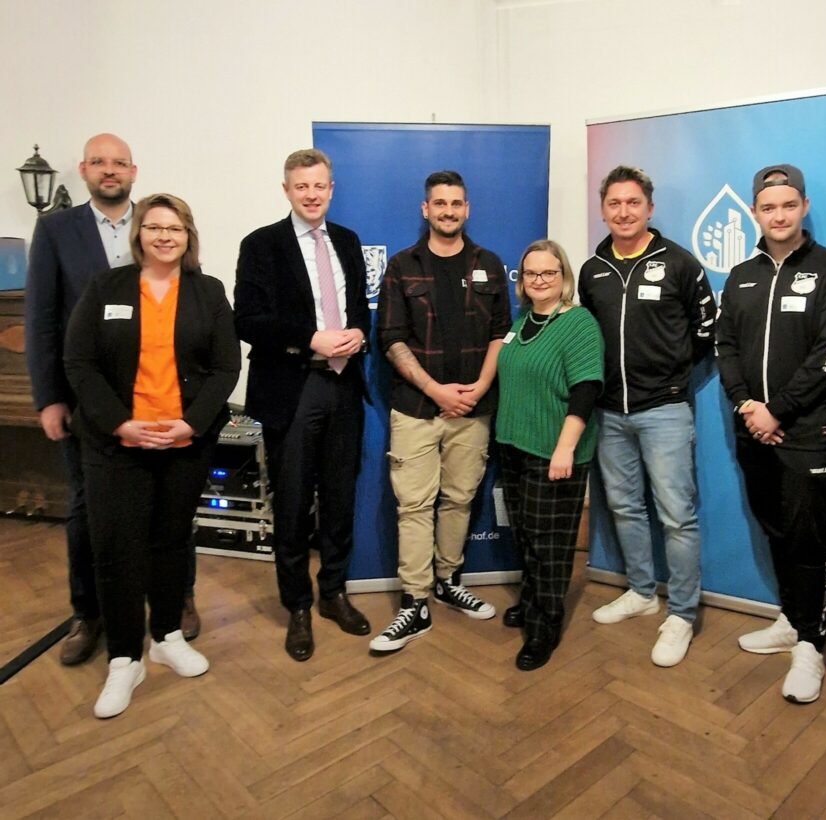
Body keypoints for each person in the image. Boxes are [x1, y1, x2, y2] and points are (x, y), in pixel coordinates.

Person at [25, 134, 206, 660]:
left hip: (164, 407)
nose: (110, 171)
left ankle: (177, 603)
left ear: (134, 171)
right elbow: (40, 320)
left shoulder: (154, 226)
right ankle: (90, 613)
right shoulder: (57, 229)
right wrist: (48, 398)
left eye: (119, 163)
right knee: (89, 512)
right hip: (87, 406)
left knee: (173, 513)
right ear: (84, 169)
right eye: (100, 162)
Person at [63, 193, 239, 718]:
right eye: (155, 227)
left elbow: (226, 367)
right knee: (116, 550)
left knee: (170, 542)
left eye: (176, 228)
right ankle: (124, 658)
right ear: (139, 234)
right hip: (118, 444)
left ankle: (164, 636)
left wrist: (190, 423)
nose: (165, 236)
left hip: (182, 443)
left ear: (189, 237)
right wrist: (121, 423)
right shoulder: (106, 288)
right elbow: (79, 363)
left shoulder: (208, 292)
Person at [715, 164, 826, 703]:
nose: (778, 215)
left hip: (811, 432)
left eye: (788, 205)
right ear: (755, 212)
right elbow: (725, 346)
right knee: (776, 530)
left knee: (809, 541)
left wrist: (779, 409)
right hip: (754, 429)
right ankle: (792, 619)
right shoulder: (742, 275)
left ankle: (811, 647)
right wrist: (747, 406)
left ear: (804, 207)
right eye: (768, 207)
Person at [234, 149, 372, 662]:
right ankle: (297, 604)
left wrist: (360, 331)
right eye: (301, 186)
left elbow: (359, 308)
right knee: (291, 504)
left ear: (331, 188)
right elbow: (246, 320)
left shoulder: (348, 242)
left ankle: (333, 592)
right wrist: (310, 338)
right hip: (293, 387)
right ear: (287, 190)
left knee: (340, 497)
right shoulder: (262, 245)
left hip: (344, 386)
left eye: (320, 186)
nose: (311, 194)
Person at [579, 165, 716, 668]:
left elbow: (706, 331)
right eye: (614, 203)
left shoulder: (679, 263)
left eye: (633, 202)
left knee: (677, 517)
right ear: (603, 210)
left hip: (664, 410)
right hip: (610, 412)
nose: (623, 212)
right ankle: (641, 591)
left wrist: (673, 376)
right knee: (625, 507)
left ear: (649, 208)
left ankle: (681, 612)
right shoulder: (593, 269)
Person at [371, 170, 511, 652]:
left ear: (466, 209)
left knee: (458, 498)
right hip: (415, 409)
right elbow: (389, 339)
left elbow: (501, 333)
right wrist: (437, 391)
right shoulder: (401, 266)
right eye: (439, 203)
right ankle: (414, 602)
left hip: (474, 408)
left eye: (456, 203)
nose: (448, 211)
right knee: (414, 505)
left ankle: (449, 580)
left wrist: (479, 388)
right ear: (425, 209)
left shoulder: (489, 265)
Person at [495, 240, 604, 671]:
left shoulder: (578, 323)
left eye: (549, 273)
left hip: (554, 451)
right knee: (526, 534)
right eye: (531, 273)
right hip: (515, 444)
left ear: (564, 278)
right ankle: (533, 599)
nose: (539, 280)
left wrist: (565, 447)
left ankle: (545, 625)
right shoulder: (523, 322)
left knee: (551, 544)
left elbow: (586, 389)